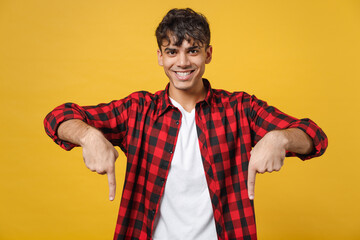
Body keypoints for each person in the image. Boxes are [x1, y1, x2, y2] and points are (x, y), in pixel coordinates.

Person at [44, 8, 328, 240]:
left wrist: (281, 139)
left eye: (193, 50)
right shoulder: (138, 110)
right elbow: (57, 117)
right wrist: (89, 136)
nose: (182, 62)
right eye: (172, 52)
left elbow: (314, 137)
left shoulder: (240, 108)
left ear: (208, 54)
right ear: (160, 57)